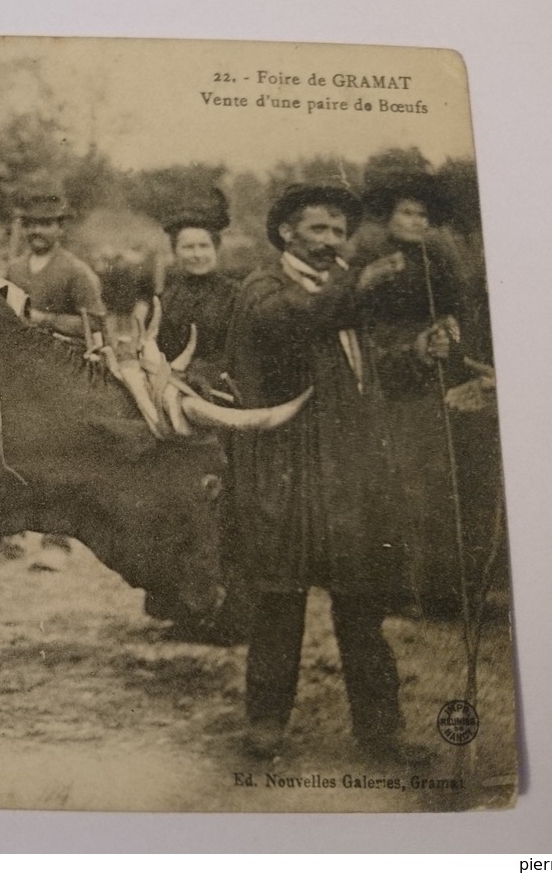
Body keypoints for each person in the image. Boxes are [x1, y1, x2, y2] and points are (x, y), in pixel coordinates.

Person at [225, 184, 449, 764]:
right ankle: (266, 723)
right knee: (280, 601)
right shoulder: (263, 289)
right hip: (286, 470)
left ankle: (382, 730)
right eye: (319, 230)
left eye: (339, 232)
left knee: (362, 604)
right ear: (286, 234)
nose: (332, 242)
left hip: (349, 471)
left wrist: (419, 352)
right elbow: (301, 328)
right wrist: (358, 277)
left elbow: (365, 370)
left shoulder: (343, 292)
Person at [353, 172, 503, 618]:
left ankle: (445, 589)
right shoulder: (371, 261)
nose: (416, 222)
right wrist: (414, 348)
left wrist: (449, 337)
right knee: (404, 484)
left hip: (434, 382)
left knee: (441, 486)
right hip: (388, 384)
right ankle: (404, 590)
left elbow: (454, 314)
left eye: (422, 215)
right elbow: (364, 331)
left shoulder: (437, 261)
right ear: (388, 216)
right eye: (406, 213)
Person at [155, 188, 239, 394]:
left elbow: (240, 353)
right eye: (188, 247)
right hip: (170, 386)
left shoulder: (236, 295)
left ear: (216, 249)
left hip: (222, 390)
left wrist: (200, 372)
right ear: (175, 252)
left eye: (204, 246)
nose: (197, 254)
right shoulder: (167, 297)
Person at [2, 183, 106, 342]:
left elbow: (95, 323)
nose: (36, 231)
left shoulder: (76, 271)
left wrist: (46, 319)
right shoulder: (15, 269)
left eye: (45, 224)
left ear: (61, 228)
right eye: (30, 224)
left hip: (63, 357)